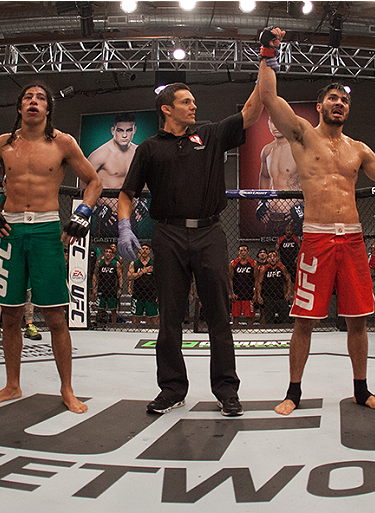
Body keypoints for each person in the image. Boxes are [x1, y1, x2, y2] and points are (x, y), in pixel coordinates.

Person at [257, 27, 375, 415]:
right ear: (320, 106)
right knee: (304, 322)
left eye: (344, 100)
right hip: (317, 238)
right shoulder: (303, 136)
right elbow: (269, 97)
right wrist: (268, 53)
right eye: (333, 99)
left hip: (353, 240)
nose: (339, 104)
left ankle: (361, 390)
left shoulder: (358, 149)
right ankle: (293, 393)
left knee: (358, 320)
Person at [117, 79, 263, 417]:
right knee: (169, 317)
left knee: (218, 315)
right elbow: (127, 194)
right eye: (186, 102)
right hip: (167, 234)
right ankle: (171, 389)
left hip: (210, 232)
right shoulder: (150, 148)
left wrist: (266, 61)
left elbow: (252, 111)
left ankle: (226, 390)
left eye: (193, 101)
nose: (193, 106)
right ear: (167, 109)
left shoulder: (209, 134)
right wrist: (125, 226)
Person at [0, 81, 102, 413]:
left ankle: (67, 389)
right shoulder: (4, 144)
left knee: (55, 316)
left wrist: (82, 213)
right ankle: (12, 385)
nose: (34, 102)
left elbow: (94, 182)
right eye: (28, 97)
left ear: (48, 108)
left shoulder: (63, 143)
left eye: (41, 98)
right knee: (10, 316)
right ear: (19, 107)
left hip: (46, 230)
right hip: (10, 230)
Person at [0, 181, 42, 341]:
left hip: (24, 248)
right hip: (4, 249)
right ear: (4, 183)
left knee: (28, 288)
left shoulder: (27, 202)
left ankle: (29, 324)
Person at [88, 113, 138, 238]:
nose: (125, 135)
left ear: (134, 130)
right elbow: (83, 186)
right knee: (105, 253)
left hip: (130, 215)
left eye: (129, 130)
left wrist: (142, 203)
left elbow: (146, 181)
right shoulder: (100, 154)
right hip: (108, 216)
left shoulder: (138, 153)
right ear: (113, 130)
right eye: (120, 130)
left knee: (131, 253)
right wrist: (97, 210)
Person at [257, 117, 304, 234]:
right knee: (271, 251)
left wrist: (305, 209)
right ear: (268, 123)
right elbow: (265, 176)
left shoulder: (300, 149)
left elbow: (315, 180)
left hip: (293, 217)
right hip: (271, 217)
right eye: (273, 122)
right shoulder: (267, 150)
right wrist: (262, 202)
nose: (276, 126)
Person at [255, 249, 291, 324]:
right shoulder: (264, 268)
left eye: (274, 256)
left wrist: (288, 293)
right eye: (270, 257)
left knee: (285, 319)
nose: (272, 258)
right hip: (268, 298)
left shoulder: (282, 267)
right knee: (269, 320)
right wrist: (258, 295)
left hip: (281, 297)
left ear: (277, 258)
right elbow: (259, 283)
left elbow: (288, 280)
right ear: (267, 259)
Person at [128, 244, 158, 325]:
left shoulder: (154, 264)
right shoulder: (134, 263)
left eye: (146, 249)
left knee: (154, 318)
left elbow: (160, 279)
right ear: (139, 251)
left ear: (149, 251)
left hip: (151, 293)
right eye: (143, 248)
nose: (144, 250)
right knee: (136, 318)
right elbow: (130, 276)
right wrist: (142, 271)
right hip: (137, 293)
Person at [94, 245, 123, 324]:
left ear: (112, 254)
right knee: (99, 308)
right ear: (104, 253)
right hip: (101, 288)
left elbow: (120, 276)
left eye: (110, 252)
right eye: (106, 252)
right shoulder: (100, 262)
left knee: (113, 310)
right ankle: (98, 323)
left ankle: (114, 325)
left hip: (112, 289)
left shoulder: (116, 263)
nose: (108, 253)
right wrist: (94, 287)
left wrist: (120, 288)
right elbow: (95, 275)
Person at [229, 244, 256, 327]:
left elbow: (257, 279)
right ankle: (235, 331)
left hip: (249, 293)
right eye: (241, 251)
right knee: (235, 316)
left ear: (247, 252)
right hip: (237, 293)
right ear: (238, 252)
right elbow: (230, 279)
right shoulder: (233, 263)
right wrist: (232, 293)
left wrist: (255, 293)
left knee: (249, 317)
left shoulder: (253, 263)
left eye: (245, 250)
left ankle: (250, 332)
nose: (243, 252)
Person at [253, 248, 268, 324]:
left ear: (266, 255)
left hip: (265, 289)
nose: (262, 254)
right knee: (253, 310)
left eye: (264, 252)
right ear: (258, 255)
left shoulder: (268, 265)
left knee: (263, 310)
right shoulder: (255, 264)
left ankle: (262, 326)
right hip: (255, 288)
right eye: (260, 252)